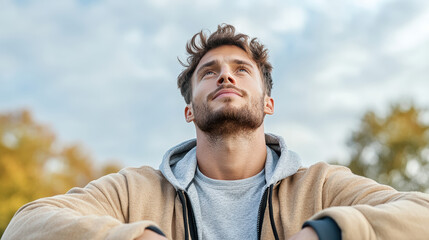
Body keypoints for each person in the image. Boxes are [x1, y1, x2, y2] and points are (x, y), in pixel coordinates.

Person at [3, 24, 429, 240]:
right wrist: (134, 237)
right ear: (189, 109)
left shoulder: (320, 186)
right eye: (209, 72)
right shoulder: (135, 191)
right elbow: (25, 225)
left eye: (241, 70)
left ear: (268, 103)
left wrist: (328, 232)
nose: (225, 76)